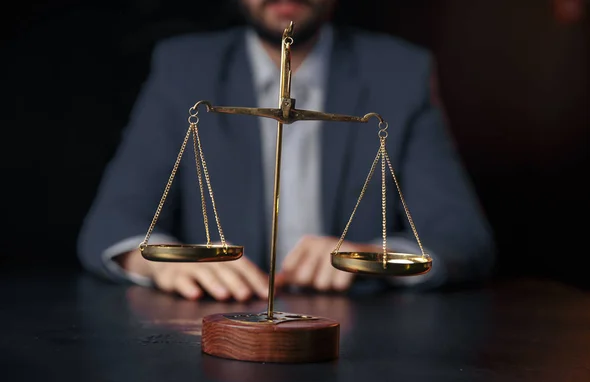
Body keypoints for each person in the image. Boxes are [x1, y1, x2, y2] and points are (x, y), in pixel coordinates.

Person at [77, 0, 496, 302]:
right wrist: (156, 264)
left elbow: (462, 239)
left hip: (362, 333)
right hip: (211, 325)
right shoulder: (184, 67)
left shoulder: (399, 72)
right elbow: (111, 224)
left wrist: (370, 254)